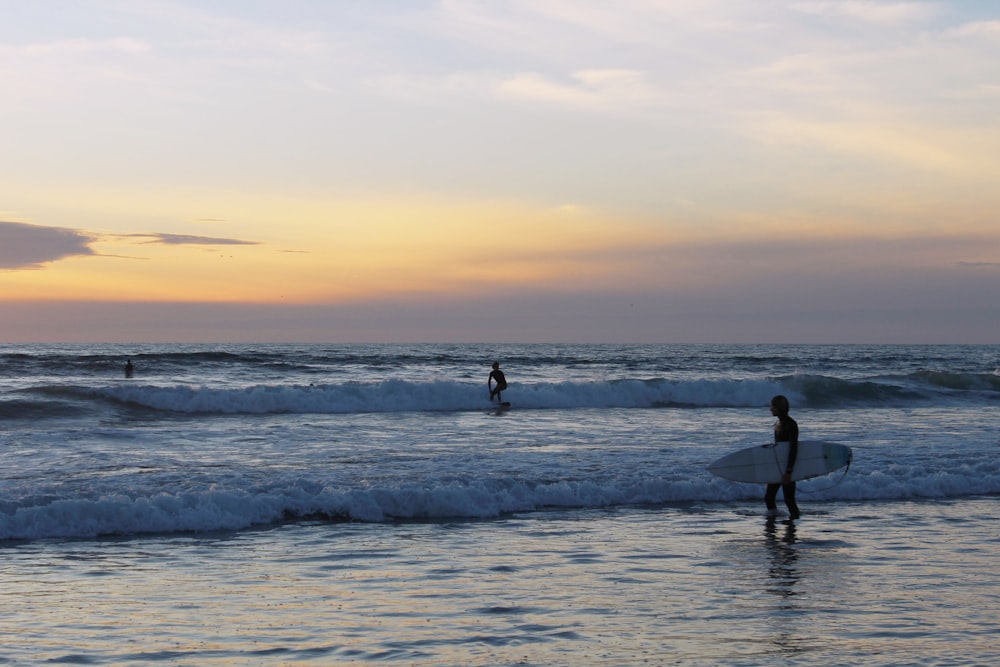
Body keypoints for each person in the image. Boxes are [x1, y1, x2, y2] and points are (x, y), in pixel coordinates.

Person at [765, 394, 800, 520]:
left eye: (772, 406)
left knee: (789, 501)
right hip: (778, 466)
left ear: (779, 407)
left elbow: (793, 448)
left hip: (787, 468)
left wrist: (789, 472)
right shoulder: (778, 423)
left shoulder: (791, 424)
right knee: (769, 497)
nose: (770, 409)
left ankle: (792, 530)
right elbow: (778, 450)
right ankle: (772, 528)